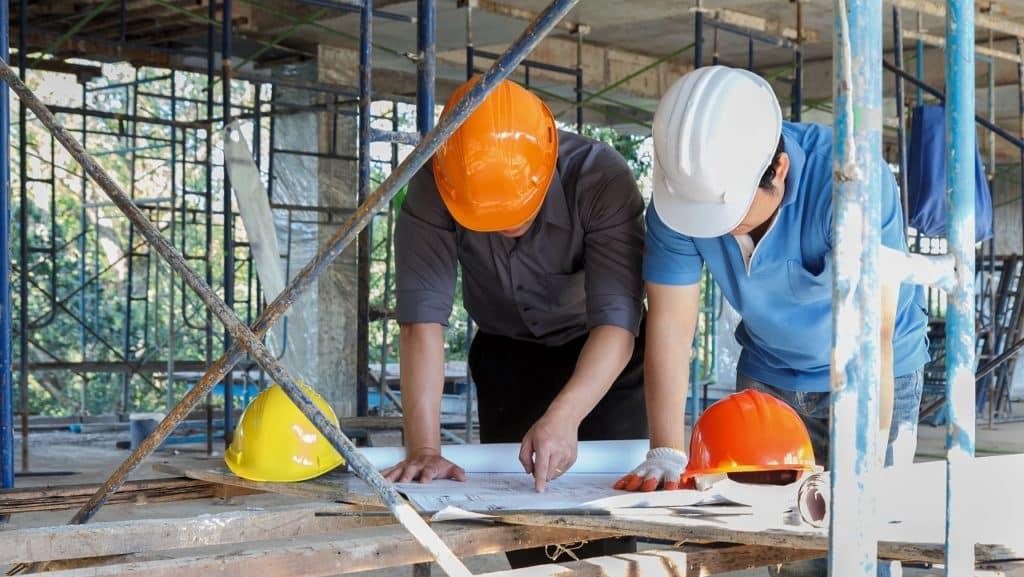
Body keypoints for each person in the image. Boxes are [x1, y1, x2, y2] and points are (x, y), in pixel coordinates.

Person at [616, 66, 929, 575]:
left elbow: (873, 337)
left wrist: (866, 465)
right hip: (769, 377)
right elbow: (671, 331)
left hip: (872, 375)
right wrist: (667, 448)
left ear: (779, 168)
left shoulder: (850, 182)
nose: (713, 230)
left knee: (864, 540)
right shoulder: (682, 198)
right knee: (782, 546)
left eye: (729, 215)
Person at [383, 77, 648, 567]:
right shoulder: (431, 184)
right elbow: (422, 323)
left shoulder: (601, 178)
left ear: (548, 163)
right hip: (507, 352)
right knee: (521, 525)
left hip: (602, 355)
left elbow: (617, 323)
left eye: (519, 215)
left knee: (610, 521)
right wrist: (424, 446)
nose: (508, 228)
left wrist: (565, 417)